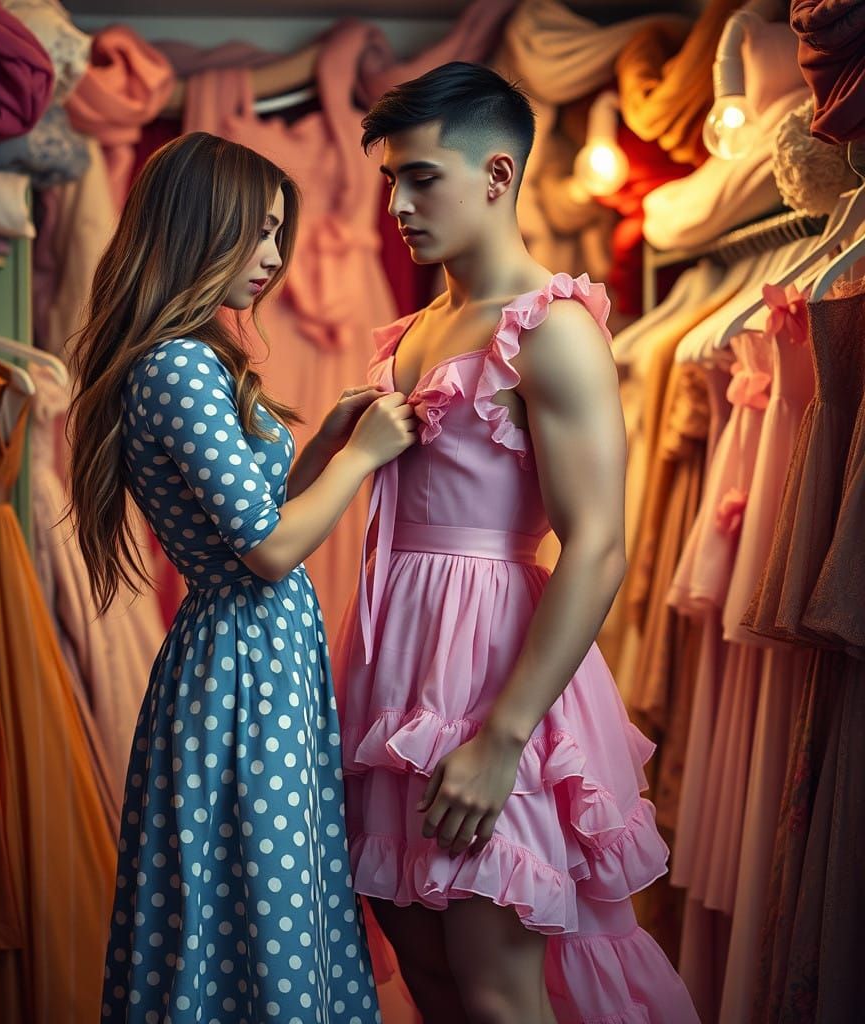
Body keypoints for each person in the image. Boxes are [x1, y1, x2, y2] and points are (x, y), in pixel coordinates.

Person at [332, 63, 700, 1024]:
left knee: (500, 996)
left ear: (497, 175)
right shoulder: (415, 330)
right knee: (431, 983)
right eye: (390, 181)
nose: (398, 205)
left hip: (491, 677)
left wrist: (503, 738)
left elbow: (598, 546)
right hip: (391, 677)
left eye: (421, 178)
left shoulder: (553, 332)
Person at [67, 131, 416, 1023]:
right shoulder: (179, 364)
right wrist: (363, 459)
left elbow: (250, 526)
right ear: (196, 227)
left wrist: (324, 447)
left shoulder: (183, 358)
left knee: (256, 901)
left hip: (247, 656)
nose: (272, 254)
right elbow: (264, 551)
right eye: (256, 229)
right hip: (242, 666)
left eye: (275, 232)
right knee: (263, 904)